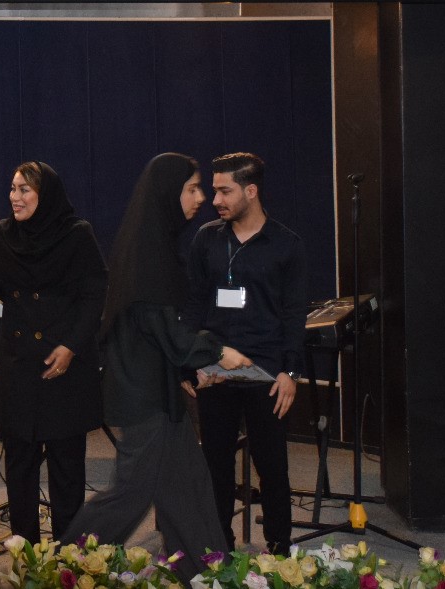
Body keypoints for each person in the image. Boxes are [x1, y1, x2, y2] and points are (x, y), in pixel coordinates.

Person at [59, 153, 251, 582]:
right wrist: (216, 352)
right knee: (130, 494)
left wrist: (189, 369)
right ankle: (62, 569)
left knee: (188, 490)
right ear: (167, 192)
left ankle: (208, 575)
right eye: (192, 188)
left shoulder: (155, 243)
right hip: (143, 395)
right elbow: (160, 324)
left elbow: (159, 330)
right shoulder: (149, 251)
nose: (201, 198)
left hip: (159, 389)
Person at [0, 161, 106, 543]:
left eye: (25, 189)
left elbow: (94, 297)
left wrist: (71, 347)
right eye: (12, 188)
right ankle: (24, 553)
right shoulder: (2, 234)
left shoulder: (77, 235)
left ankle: (68, 556)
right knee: (20, 466)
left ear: (46, 195)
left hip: (65, 366)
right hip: (20, 365)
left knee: (67, 470)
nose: (15, 197)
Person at [182, 152, 307, 556]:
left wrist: (290, 372)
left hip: (267, 374)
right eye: (214, 190)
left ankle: (280, 550)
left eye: (225, 191)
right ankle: (218, 547)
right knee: (215, 465)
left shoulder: (286, 245)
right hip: (215, 371)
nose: (215, 200)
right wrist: (190, 363)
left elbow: (294, 315)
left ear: (251, 191)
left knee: (273, 467)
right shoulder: (206, 239)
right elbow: (194, 305)